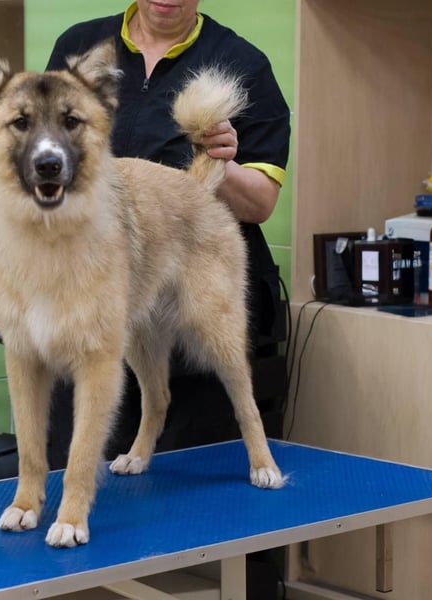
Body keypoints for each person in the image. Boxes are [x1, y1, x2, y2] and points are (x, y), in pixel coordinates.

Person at [45, 1, 291, 469]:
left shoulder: (243, 63)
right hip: (92, 294)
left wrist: (222, 160)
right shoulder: (79, 48)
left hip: (198, 270)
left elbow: (260, 203)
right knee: (81, 475)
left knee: (193, 502)